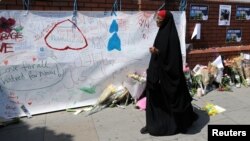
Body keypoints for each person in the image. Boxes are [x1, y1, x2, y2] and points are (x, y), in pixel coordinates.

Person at [140, 10, 198, 136]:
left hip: (167, 77)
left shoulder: (171, 36)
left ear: (166, 20)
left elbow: (172, 59)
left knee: (169, 99)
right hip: (157, 73)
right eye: (157, 18)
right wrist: (156, 51)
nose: (157, 20)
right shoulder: (161, 32)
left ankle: (171, 125)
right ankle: (152, 125)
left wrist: (158, 52)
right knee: (153, 97)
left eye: (159, 19)